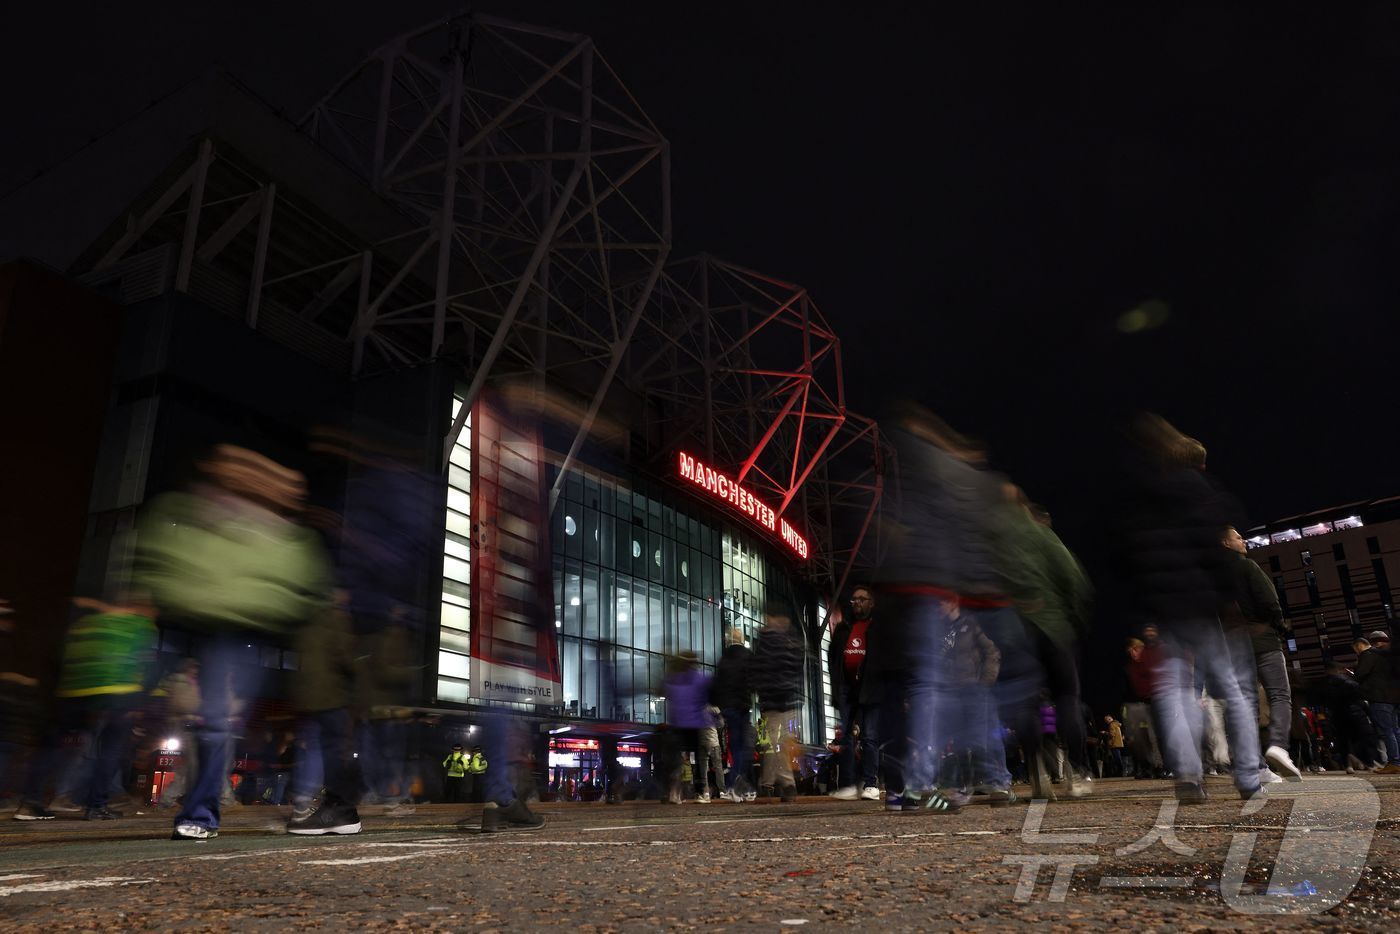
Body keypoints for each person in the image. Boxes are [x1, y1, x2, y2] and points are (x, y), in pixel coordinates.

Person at [1117, 416, 1262, 805]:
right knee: (1232, 687)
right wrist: (1228, 596)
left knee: (1173, 691)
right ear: (1198, 463)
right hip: (1201, 603)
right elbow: (1213, 550)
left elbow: (1128, 556)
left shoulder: (1140, 495)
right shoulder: (1201, 491)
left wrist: (1144, 610)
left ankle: (1188, 775)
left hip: (1162, 609)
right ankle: (1248, 773)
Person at [12, 595, 159, 821]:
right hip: (118, 694)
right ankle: (96, 806)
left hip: (73, 692)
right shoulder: (139, 625)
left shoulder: (87, 623)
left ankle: (30, 803)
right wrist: (138, 701)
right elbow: (145, 664)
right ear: (142, 608)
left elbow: (61, 656)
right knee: (109, 750)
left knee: (53, 746)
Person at [1221, 526, 1302, 783]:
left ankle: (1255, 767)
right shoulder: (1247, 567)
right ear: (1225, 543)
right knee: (1279, 694)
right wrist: (1280, 626)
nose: (1243, 540)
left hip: (1235, 648)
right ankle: (1278, 745)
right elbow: (1269, 600)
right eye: (1237, 537)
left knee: (1247, 706)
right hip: (1264, 641)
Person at [826, 585, 881, 801]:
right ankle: (847, 784)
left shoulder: (877, 627)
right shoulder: (843, 628)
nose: (857, 602)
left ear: (871, 603)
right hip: (847, 689)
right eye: (854, 599)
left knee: (870, 736)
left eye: (862, 599)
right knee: (847, 737)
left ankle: (871, 783)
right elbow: (833, 660)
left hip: (870, 688)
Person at [750, 602, 804, 803]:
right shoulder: (789, 640)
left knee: (776, 743)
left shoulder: (767, 641)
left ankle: (779, 784)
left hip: (775, 700)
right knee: (775, 743)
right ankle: (779, 784)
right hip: (783, 699)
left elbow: (759, 669)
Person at [663, 651, 713, 804]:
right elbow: (707, 697)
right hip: (696, 722)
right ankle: (700, 791)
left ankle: (674, 791)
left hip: (677, 722)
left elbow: (667, 693)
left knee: (676, 759)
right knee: (699, 758)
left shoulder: (674, 679)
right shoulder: (701, 679)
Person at [712, 627, 755, 802]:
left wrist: (719, 706)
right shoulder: (748, 656)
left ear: (729, 640)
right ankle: (737, 784)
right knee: (742, 747)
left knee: (735, 745)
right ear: (742, 639)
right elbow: (752, 680)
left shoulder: (724, 658)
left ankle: (739, 785)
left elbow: (717, 683)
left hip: (728, 707)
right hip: (742, 705)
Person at [1354, 633, 1400, 773]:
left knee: (1386, 731)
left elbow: (1360, 673)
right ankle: (1397, 761)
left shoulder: (1368, 655)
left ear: (1360, 645)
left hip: (1379, 697)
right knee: (1395, 730)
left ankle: (1394, 762)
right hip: (1394, 698)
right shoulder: (1389, 656)